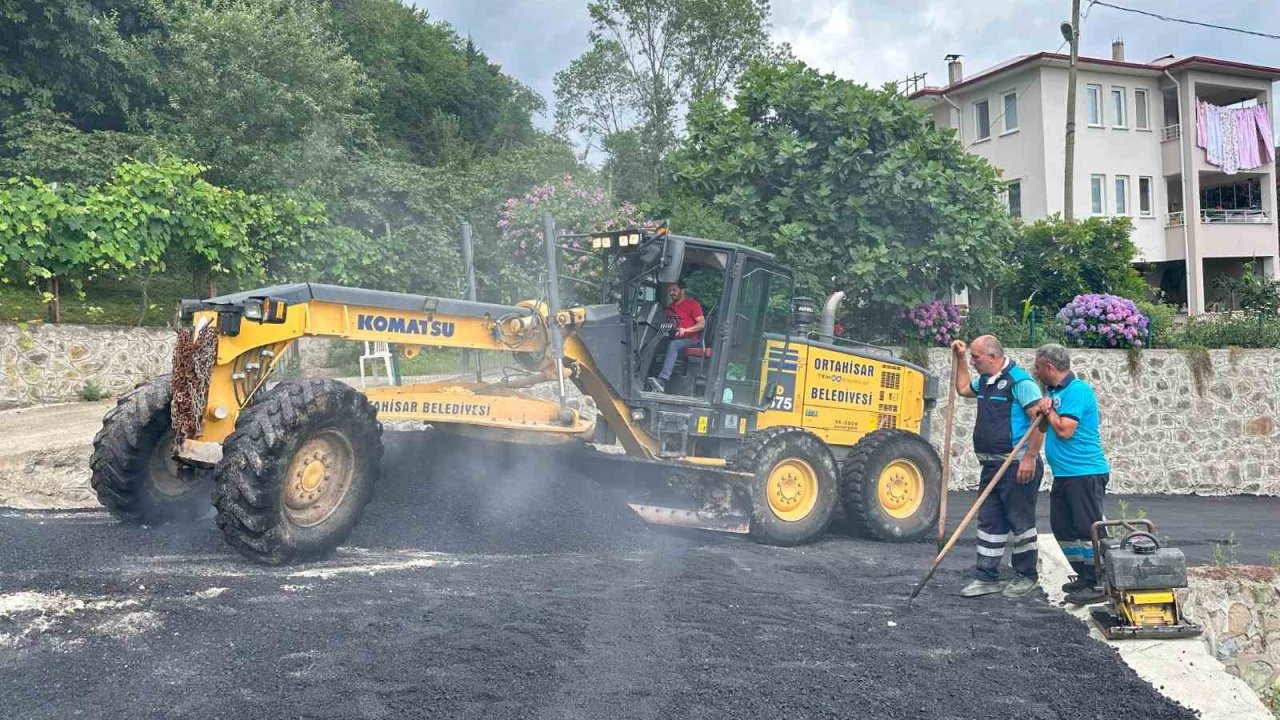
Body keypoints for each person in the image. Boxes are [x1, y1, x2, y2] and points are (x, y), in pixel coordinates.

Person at [951, 335, 1046, 599]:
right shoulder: (985, 382)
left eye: (975, 357)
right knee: (990, 522)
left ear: (993, 357)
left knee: (1020, 522)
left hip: (1016, 465)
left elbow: (1039, 422)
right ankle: (986, 577)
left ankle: (1026, 576)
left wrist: (1030, 458)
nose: (973, 362)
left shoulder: (1020, 382)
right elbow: (961, 388)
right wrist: (959, 359)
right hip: (991, 465)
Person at [1032, 343, 1112, 606]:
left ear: (1049, 367)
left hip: (1085, 472)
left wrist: (1050, 410)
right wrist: (1043, 409)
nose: (1036, 371)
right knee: (1062, 526)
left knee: (1087, 527)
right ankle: (1084, 575)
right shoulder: (1055, 392)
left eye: (1038, 367)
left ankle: (1100, 581)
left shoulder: (1077, 391)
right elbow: (1045, 425)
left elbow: (1065, 430)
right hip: (1065, 474)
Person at [646, 279, 705, 394]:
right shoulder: (670, 307)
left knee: (674, 345)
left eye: (674, 290)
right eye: (670, 290)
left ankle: (662, 381)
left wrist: (686, 330)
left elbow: (702, 324)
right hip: (676, 338)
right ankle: (647, 378)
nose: (671, 293)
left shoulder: (693, 305)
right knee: (654, 343)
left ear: (682, 290)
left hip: (692, 340)